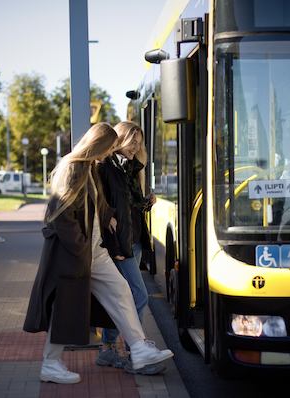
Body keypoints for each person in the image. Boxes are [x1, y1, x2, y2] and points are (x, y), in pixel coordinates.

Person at [23, 123, 173, 385]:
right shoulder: (73, 166)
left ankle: (138, 349)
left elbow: (95, 202)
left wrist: (108, 217)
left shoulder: (89, 167)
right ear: (98, 145)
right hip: (76, 252)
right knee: (65, 309)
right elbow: (62, 214)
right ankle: (50, 364)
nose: (110, 153)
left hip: (93, 250)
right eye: (108, 147)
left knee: (122, 292)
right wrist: (81, 246)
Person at [96, 121, 159, 374]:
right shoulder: (106, 167)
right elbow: (100, 202)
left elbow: (128, 207)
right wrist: (107, 217)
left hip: (133, 239)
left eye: (139, 142)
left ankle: (107, 349)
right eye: (132, 141)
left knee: (123, 297)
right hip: (120, 243)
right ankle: (137, 354)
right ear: (119, 139)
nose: (136, 146)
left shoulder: (130, 169)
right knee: (138, 295)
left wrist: (146, 202)